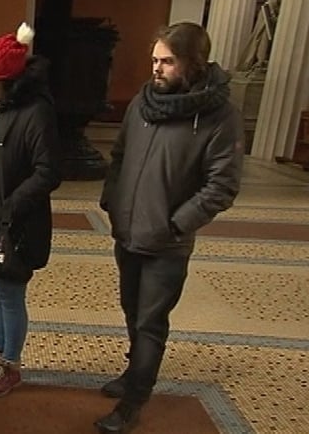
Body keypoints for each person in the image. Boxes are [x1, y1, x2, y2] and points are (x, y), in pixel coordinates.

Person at [96, 22, 245, 433]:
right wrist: (112, 198)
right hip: (127, 232)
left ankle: (133, 403)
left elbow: (223, 186)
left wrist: (176, 223)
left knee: (150, 322)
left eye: (167, 61)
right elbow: (122, 155)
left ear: (193, 65)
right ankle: (134, 374)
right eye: (154, 60)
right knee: (132, 313)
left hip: (168, 244)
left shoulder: (220, 116)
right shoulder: (142, 103)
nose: (156, 68)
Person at [0, 22, 62, 399]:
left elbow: (49, 171)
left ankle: (11, 365)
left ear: (8, 78)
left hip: (18, 224)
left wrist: (13, 204)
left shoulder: (36, 113)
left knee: (10, 293)